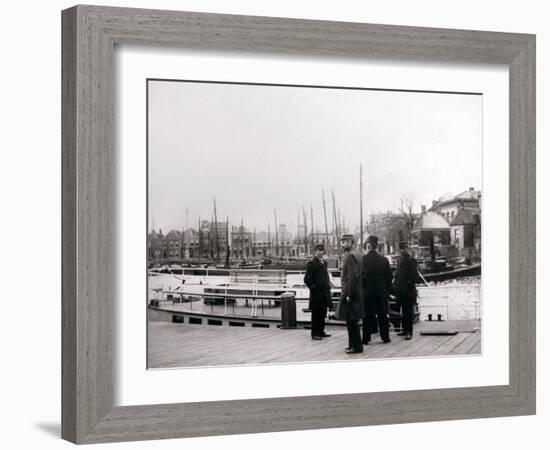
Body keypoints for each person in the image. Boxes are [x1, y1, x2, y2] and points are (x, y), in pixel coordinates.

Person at [336, 234, 365, 354]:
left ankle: (356, 347)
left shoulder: (350, 256)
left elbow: (352, 277)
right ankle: (352, 345)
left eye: (344, 242)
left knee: (351, 321)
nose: (342, 244)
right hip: (358, 292)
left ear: (350, 242)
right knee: (353, 320)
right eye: (341, 242)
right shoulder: (359, 254)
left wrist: (348, 294)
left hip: (351, 293)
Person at [362, 235, 393, 344]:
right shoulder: (384, 260)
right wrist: (385, 289)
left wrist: (363, 289)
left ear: (369, 246)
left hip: (368, 292)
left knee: (367, 316)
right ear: (376, 246)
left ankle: (366, 338)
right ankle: (385, 337)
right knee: (382, 315)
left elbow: (361, 277)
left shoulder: (363, 260)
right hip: (380, 292)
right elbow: (389, 277)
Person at [303, 243, 332, 340]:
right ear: (315, 251)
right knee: (316, 313)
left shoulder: (324, 263)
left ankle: (321, 331)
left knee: (323, 312)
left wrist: (328, 285)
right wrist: (314, 289)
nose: (321, 252)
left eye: (322, 250)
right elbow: (307, 279)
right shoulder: (311, 263)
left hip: (324, 292)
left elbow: (325, 277)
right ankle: (315, 333)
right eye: (319, 250)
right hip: (317, 293)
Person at [393, 241, 419, 340]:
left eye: (404, 248)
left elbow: (415, 277)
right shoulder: (400, 260)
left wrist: (407, 285)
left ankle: (409, 332)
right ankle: (404, 329)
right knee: (403, 311)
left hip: (408, 291)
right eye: (401, 249)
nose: (402, 250)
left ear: (407, 249)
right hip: (401, 291)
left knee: (408, 312)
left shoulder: (411, 260)